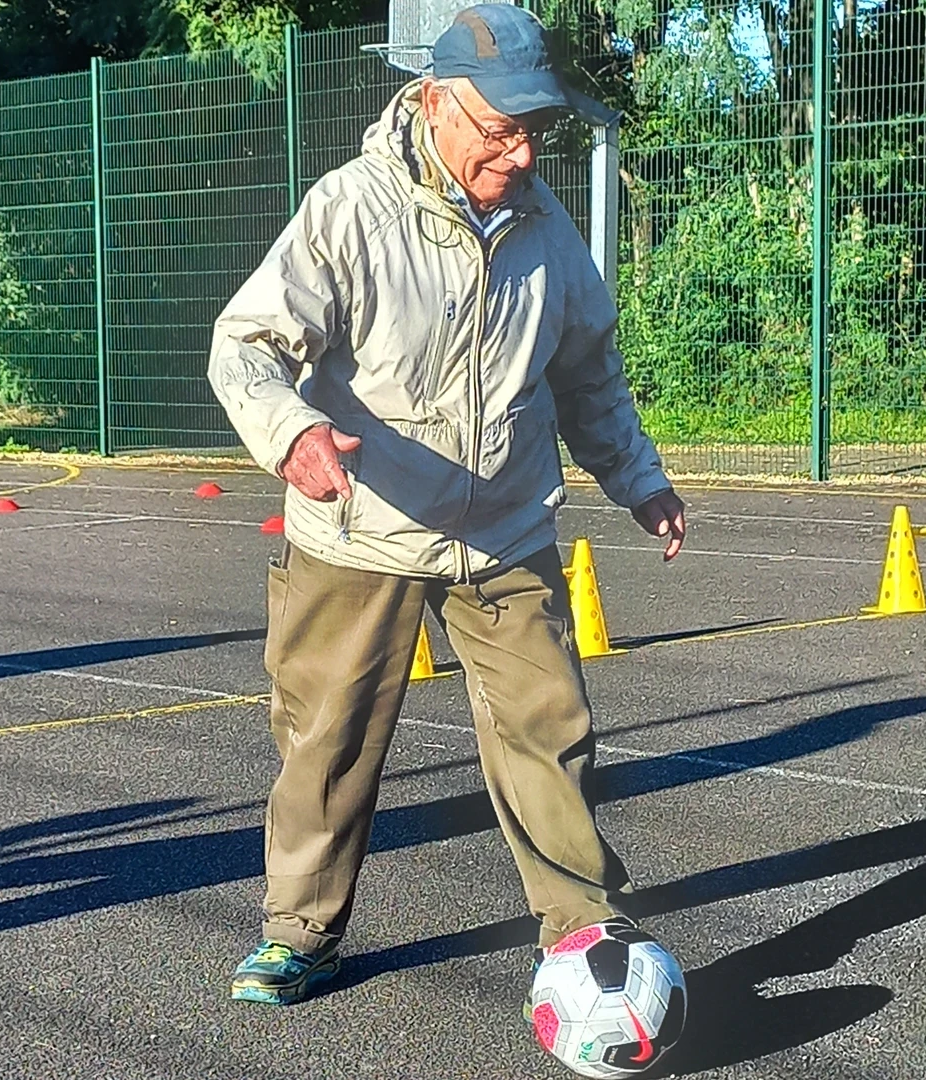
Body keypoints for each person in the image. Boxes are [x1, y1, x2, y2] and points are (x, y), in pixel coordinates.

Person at [207, 3, 686, 1007]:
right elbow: (246, 344)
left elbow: (590, 375)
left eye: (531, 133)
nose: (516, 154)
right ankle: (300, 934)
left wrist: (638, 479)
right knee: (327, 742)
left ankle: (584, 933)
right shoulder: (350, 208)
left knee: (548, 734)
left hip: (504, 528)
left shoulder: (548, 233)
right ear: (435, 103)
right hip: (359, 522)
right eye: (497, 131)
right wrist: (291, 432)